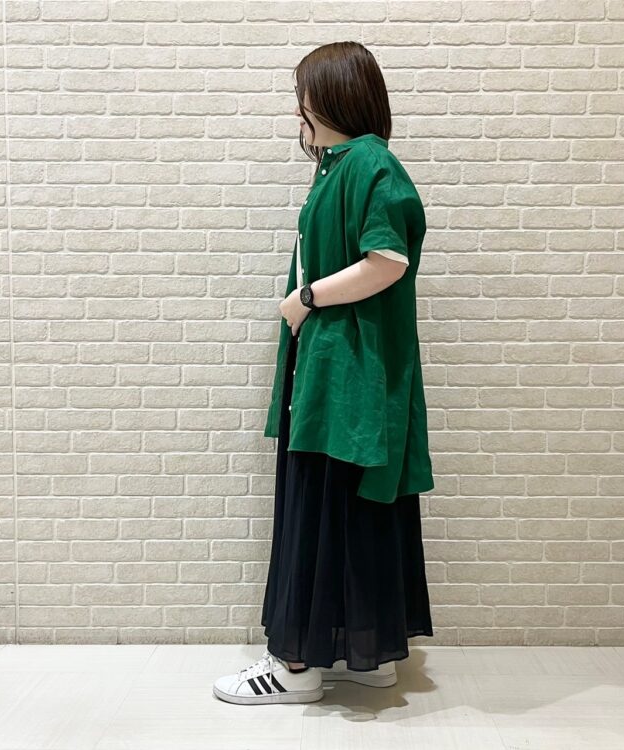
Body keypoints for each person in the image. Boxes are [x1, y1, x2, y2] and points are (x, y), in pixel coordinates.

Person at [214, 41, 434, 706]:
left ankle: (293, 668)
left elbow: (387, 261)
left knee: (316, 506)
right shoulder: (343, 166)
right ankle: (365, 656)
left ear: (335, 98)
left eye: (305, 99)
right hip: (344, 373)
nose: (298, 112)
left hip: (345, 375)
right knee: (349, 509)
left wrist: (305, 299)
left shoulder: (369, 163)